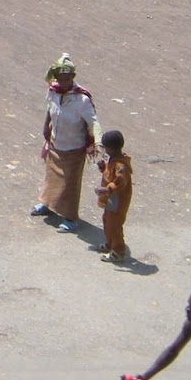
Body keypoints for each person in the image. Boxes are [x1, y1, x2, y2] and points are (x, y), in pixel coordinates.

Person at [30, 52, 99, 232]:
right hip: (56, 142)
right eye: (60, 79)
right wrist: (46, 125)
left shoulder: (82, 99)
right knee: (51, 177)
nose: (63, 82)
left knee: (70, 184)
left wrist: (99, 142)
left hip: (74, 147)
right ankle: (47, 204)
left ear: (72, 77)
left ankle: (70, 218)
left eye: (67, 79)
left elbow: (94, 122)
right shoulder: (53, 91)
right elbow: (50, 108)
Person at [95, 128, 132, 263]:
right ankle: (110, 243)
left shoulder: (121, 165)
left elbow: (120, 182)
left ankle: (118, 251)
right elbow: (109, 174)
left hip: (118, 200)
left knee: (114, 225)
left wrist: (106, 189)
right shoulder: (113, 160)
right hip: (111, 199)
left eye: (106, 148)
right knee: (107, 220)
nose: (105, 150)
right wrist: (103, 168)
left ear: (111, 148)